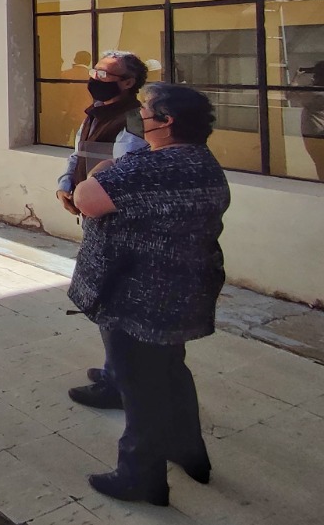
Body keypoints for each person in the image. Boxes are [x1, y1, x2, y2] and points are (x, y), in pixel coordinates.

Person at [69, 83, 229, 506]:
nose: (139, 116)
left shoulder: (151, 167)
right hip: (185, 287)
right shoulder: (203, 161)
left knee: (140, 384)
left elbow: (87, 198)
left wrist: (100, 171)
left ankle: (141, 476)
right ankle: (188, 449)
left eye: (146, 110)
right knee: (170, 369)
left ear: (167, 122)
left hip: (138, 291)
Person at [59, 50, 150, 410]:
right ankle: (115, 369)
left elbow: (127, 174)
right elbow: (78, 155)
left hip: (118, 224)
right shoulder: (95, 114)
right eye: (94, 71)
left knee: (115, 301)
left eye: (105, 75)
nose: (95, 79)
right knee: (106, 300)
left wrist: (88, 197)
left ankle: (119, 384)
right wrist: (66, 185)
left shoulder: (135, 120)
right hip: (95, 218)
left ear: (128, 82)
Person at [289, 60, 324, 180]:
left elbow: (289, 94)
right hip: (320, 131)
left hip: (314, 131)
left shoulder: (314, 93)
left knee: (320, 163)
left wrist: (296, 78)